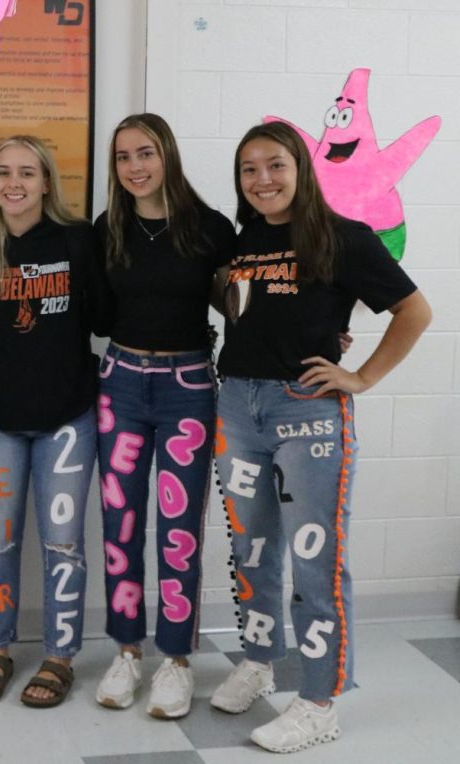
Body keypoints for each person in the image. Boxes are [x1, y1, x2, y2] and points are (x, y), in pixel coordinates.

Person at [211, 121, 430, 753]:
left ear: (301, 168)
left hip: (305, 410)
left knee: (315, 559)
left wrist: (360, 376)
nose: (263, 180)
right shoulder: (244, 238)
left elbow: (414, 311)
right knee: (252, 550)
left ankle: (318, 702)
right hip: (237, 405)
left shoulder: (344, 236)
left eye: (275, 165)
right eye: (249, 169)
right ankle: (258, 659)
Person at [92, 113, 236, 719]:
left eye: (145, 153)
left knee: (178, 532)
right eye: (123, 157)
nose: (135, 167)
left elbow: (241, 304)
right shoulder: (109, 227)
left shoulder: (209, 228)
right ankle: (127, 650)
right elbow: (97, 315)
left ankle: (176, 660)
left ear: (167, 155)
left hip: (188, 388)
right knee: (119, 527)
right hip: (120, 381)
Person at [0, 136, 101, 708]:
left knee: (63, 543)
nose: (13, 183)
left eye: (27, 172)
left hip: (67, 418)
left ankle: (59, 655)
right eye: (3, 173)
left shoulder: (77, 240)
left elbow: (110, 315)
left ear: (47, 181)